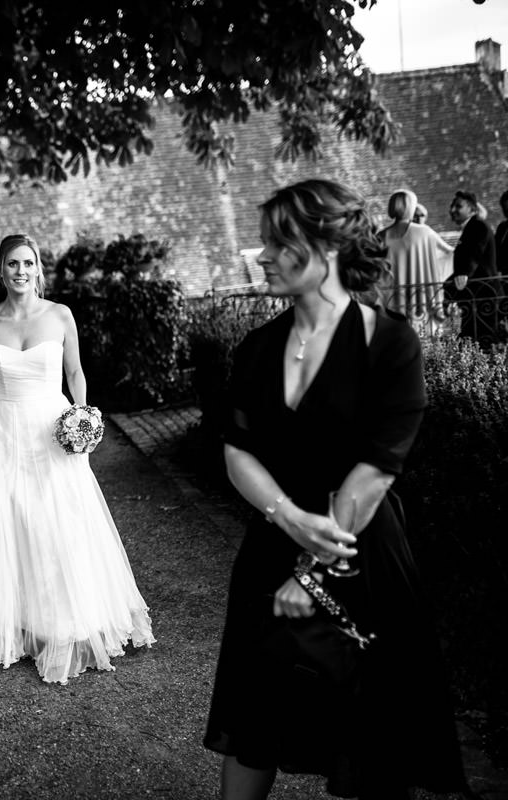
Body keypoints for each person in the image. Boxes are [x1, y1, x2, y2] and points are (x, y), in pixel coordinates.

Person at [203, 179, 466, 799]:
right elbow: (237, 451)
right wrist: (288, 519)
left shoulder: (388, 342)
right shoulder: (260, 348)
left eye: (277, 241)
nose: (262, 254)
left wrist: (314, 570)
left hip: (362, 556)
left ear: (324, 247)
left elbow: (376, 469)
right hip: (271, 555)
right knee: (256, 719)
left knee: (371, 734)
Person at [0, 233, 155, 684]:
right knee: (17, 521)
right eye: (12, 264)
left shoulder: (60, 315)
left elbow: (75, 372)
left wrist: (81, 419)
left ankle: (67, 617)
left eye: (28, 263)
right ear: (1, 269)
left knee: (59, 521)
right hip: (6, 432)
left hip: (53, 431)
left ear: (38, 267)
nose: (20, 271)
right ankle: (24, 615)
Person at [377, 189, 451, 320]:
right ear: (411, 206)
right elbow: (450, 254)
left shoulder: (381, 236)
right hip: (421, 303)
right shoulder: (425, 232)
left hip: (390, 304)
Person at [448, 189, 500, 344]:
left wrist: (464, 272)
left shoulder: (478, 226)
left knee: (483, 341)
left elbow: (475, 252)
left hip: (484, 295)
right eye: (453, 206)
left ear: (471, 209)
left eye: (458, 206)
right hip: (476, 296)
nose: (452, 210)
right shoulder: (472, 226)